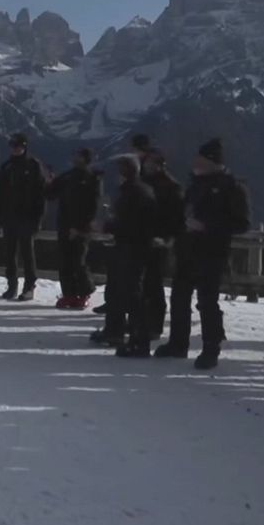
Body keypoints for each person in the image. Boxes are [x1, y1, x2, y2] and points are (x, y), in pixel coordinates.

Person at [156, 138, 251, 370]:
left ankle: (211, 348)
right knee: (179, 297)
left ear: (212, 161)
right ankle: (178, 343)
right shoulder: (195, 184)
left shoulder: (232, 187)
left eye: (200, 159)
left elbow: (242, 223)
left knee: (207, 301)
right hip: (187, 249)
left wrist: (207, 226)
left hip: (212, 252)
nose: (195, 162)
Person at [101, 155, 159, 357]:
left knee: (132, 294)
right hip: (132, 246)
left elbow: (131, 223)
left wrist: (110, 227)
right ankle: (123, 333)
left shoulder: (134, 193)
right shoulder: (138, 190)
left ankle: (139, 340)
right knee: (124, 291)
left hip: (132, 247)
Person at [95, 133, 157, 316]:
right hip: (127, 239)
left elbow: (131, 219)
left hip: (132, 241)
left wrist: (108, 226)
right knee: (121, 278)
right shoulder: (135, 188)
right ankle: (117, 310)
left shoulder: (138, 189)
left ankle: (131, 318)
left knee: (132, 282)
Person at [45, 148, 102, 309]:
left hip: (81, 227)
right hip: (64, 224)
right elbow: (50, 194)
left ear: (86, 159)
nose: (75, 158)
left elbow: (94, 205)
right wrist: (48, 182)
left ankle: (84, 293)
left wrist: (81, 227)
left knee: (78, 261)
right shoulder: (67, 176)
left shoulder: (92, 178)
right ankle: (69, 294)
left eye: (79, 156)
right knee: (64, 261)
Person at [0, 133, 47, 301]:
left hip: (27, 216)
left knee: (27, 253)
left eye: (19, 146)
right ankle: (12, 285)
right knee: (9, 253)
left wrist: (38, 218)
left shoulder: (33, 165)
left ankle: (29, 286)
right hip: (9, 216)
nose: (16, 149)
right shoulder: (6, 167)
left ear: (24, 147)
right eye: (13, 146)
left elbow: (41, 193)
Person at [140, 151, 185, 339]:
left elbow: (176, 216)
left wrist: (167, 237)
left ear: (159, 165)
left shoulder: (170, 187)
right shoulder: (144, 182)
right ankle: (140, 321)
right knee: (142, 283)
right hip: (142, 237)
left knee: (153, 282)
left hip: (158, 240)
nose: (147, 166)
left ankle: (154, 325)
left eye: (150, 163)